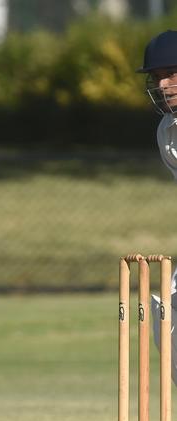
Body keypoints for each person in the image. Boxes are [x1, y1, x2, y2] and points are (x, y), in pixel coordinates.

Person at [138, 30, 177, 384]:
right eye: (156, 76)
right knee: (168, 316)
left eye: (171, 73)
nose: (162, 83)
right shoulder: (167, 131)